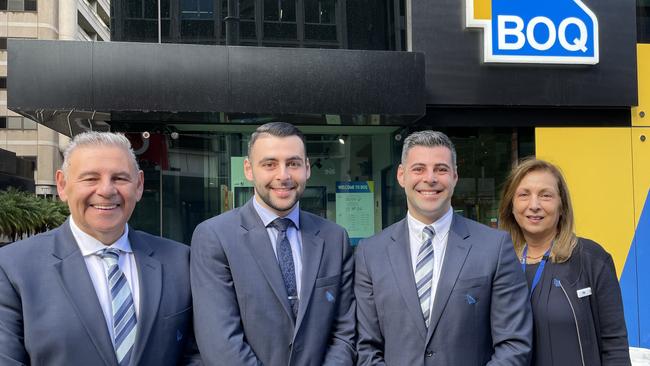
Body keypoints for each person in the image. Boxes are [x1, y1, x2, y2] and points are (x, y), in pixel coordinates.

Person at [0, 132, 200, 366]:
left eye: (120, 178)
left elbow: (196, 354)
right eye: (90, 178)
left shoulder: (180, 261)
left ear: (139, 185)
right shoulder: (13, 267)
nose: (106, 190)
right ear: (63, 185)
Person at [355, 130, 532, 365]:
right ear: (401, 175)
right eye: (418, 169)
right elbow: (365, 347)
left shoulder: (495, 247)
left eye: (441, 169)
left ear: (455, 177)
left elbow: (514, 343)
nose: (430, 178)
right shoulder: (370, 253)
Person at [191, 122, 355, 366]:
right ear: (249, 169)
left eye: (293, 163)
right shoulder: (214, 236)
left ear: (307, 168)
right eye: (270, 164)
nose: (283, 175)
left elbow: (344, 334)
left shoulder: (335, 238)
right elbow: (221, 342)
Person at [498, 158, 631, 366]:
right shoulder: (496, 263)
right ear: (511, 206)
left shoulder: (592, 259)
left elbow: (614, 346)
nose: (534, 205)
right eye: (524, 195)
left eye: (546, 195)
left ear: (562, 206)